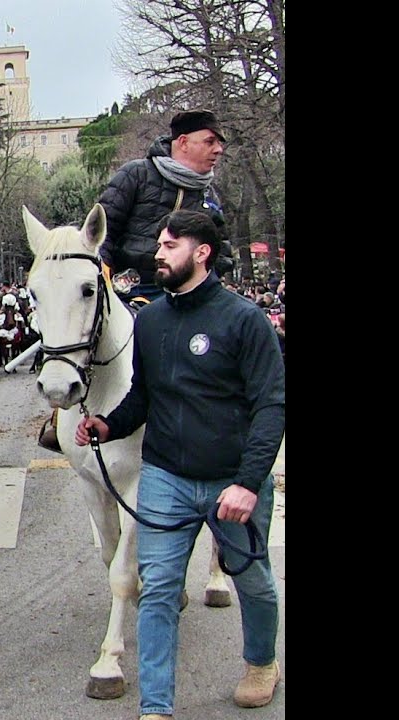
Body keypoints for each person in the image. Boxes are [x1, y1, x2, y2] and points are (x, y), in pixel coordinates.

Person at [75, 210, 284, 718]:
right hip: (166, 476)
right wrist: (108, 425)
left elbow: (271, 406)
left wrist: (248, 483)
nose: (158, 254)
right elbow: (143, 397)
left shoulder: (244, 320)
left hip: (233, 480)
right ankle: (157, 706)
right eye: (159, 245)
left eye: (170, 245)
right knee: (160, 587)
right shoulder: (151, 321)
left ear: (202, 253)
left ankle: (262, 663)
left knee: (250, 576)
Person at [97, 109, 234, 304]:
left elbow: (220, 253)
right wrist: (105, 279)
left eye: (219, 143)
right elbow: (102, 232)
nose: (218, 149)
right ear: (184, 143)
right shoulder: (136, 174)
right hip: (127, 293)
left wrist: (200, 287)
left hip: (184, 297)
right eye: (209, 141)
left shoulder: (208, 195)